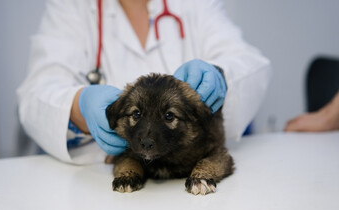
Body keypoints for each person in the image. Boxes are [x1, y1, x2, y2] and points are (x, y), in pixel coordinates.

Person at [17, 0, 271, 164]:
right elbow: (37, 93)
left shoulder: (195, 5)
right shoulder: (72, 7)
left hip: (187, 174)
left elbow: (249, 61)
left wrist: (219, 75)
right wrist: (79, 106)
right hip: (99, 178)